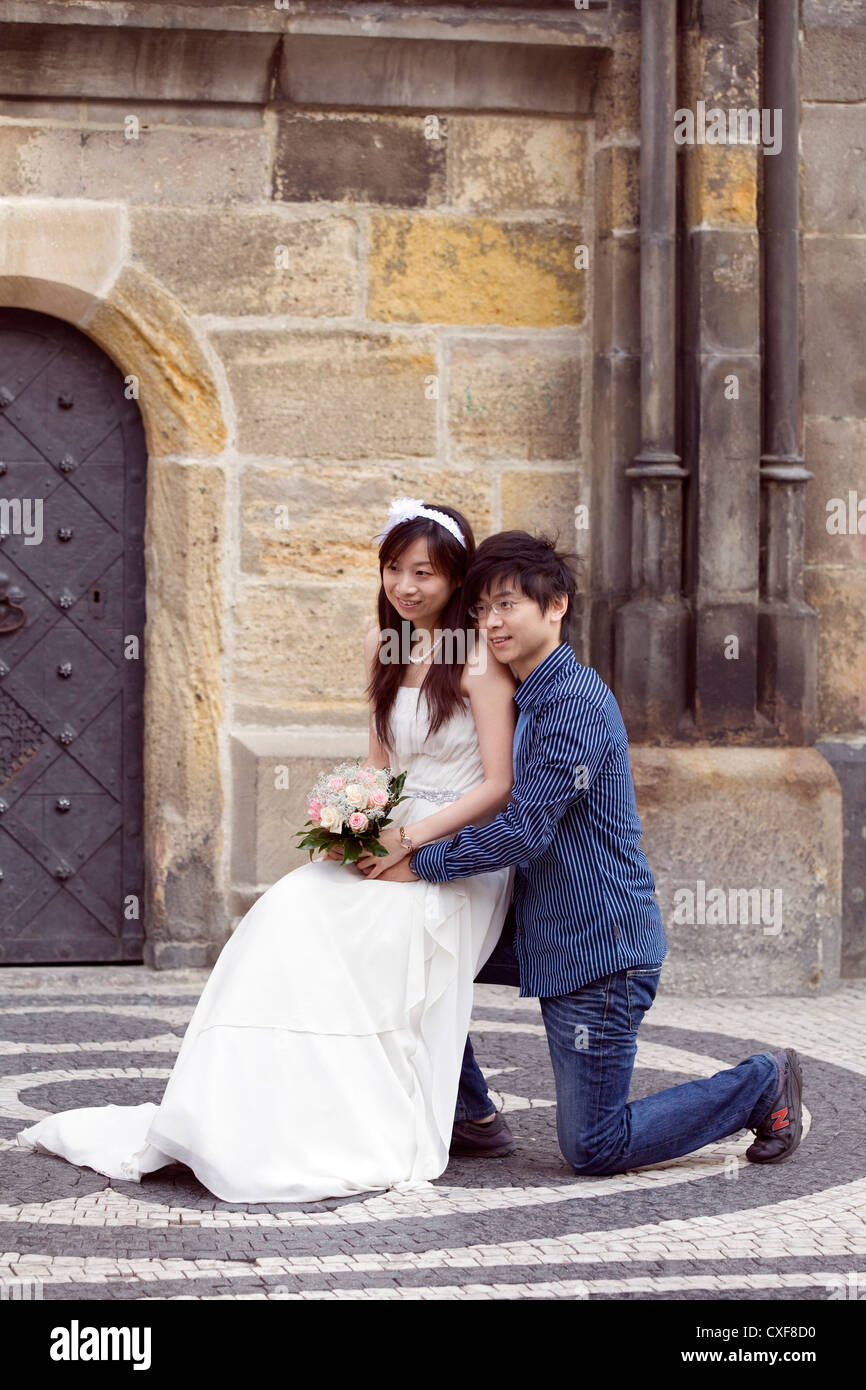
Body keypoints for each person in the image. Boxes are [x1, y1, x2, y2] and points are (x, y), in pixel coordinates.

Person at [15, 498, 519, 1203]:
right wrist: (352, 828)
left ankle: (393, 1113)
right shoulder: (386, 652)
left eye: (425, 573)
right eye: (395, 570)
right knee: (288, 910)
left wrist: (411, 838)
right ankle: (251, 1110)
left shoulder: (478, 667)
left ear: (457, 579)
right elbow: (378, 771)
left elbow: (499, 786)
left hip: (458, 854)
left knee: (364, 934)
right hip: (393, 837)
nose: (406, 586)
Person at [361, 530, 805, 1173]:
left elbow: (525, 829)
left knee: (594, 1146)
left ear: (557, 605)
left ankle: (761, 1082)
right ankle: (470, 1116)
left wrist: (416, 859)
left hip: (595, 949)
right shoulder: (524, 692)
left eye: (508, 605)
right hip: (536, 922)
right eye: (481, 609)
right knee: (408, 949)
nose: (491, 622)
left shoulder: (572, 703)